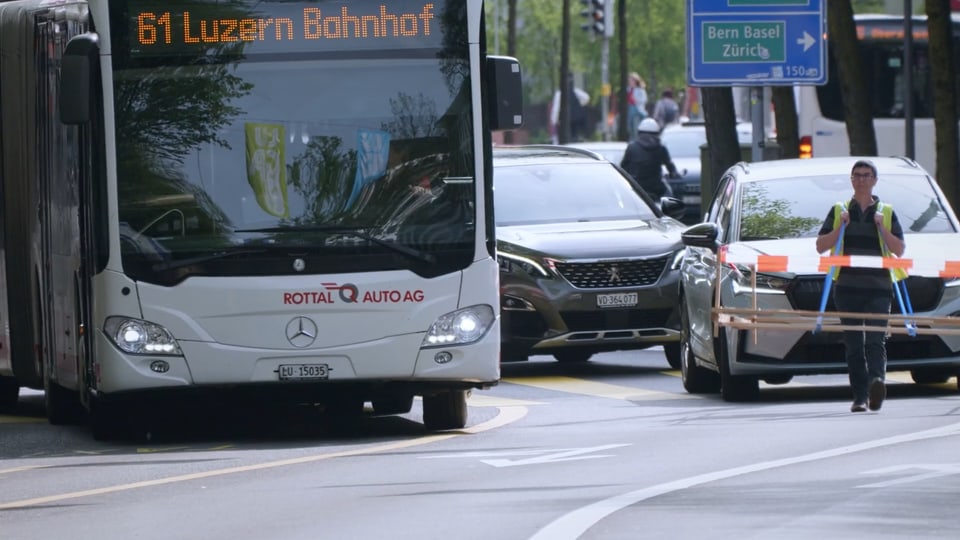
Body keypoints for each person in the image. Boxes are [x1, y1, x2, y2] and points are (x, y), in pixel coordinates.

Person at [815, 159, 906, 413]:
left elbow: (899, 249)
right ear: (851, 180)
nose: (862, 179)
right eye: (857, 175)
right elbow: (821, 246)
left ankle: (877, 383)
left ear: (874, 180)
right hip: (846, 287)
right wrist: (839, 226)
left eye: (866, 175)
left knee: (875, 342)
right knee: (854, 344)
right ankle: (860, 397)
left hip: (879, 287)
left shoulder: (886, 212)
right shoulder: (839, 210)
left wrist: (881, 226)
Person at [619, 117, 680, 200]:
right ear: (657, 133)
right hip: (657, 188)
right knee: (670, 198)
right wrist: (674, 173)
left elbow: (623, 166)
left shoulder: (631, 147)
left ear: (639, 132)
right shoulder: (661, 148)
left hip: (636, 188)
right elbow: (669, 165)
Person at [626, 73, 648, 142]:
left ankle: (637, 139)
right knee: (630, 125)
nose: (630, 82)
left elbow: (644, 100)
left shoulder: (640, 90)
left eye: (631, 80)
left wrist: (636, 99)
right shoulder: (629, 89)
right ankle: (632, 139)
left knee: (636, 126)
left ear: (635, 81)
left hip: (638, 109)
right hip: (631, 108)